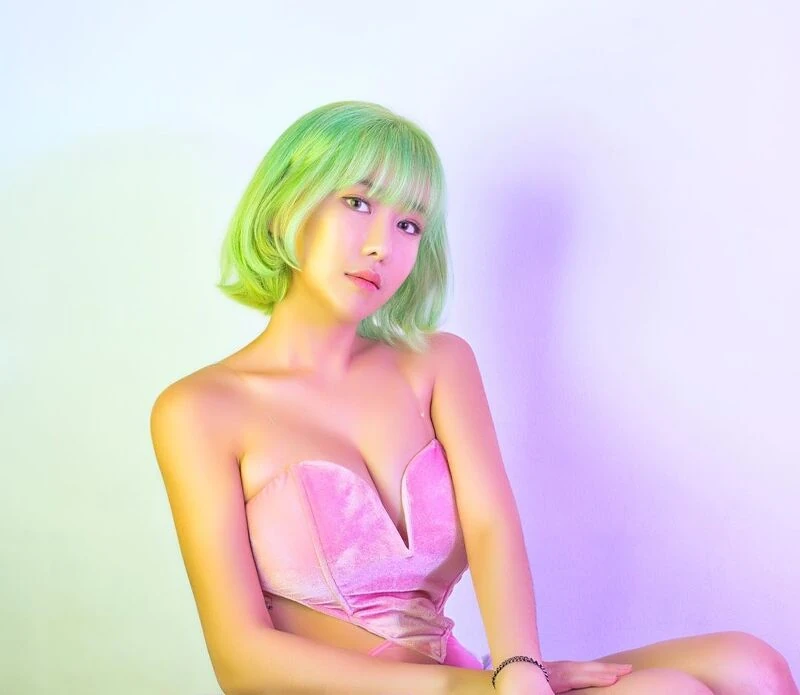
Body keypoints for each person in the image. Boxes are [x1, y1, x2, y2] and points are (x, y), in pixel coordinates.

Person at [150, 101, 798, 695]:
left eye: (409, 223)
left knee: (752, 665)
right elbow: (241, 660)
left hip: (472, 676)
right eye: (357, 202)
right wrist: (470, 690)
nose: (382, 245)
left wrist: (519, 670)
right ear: (283, 207)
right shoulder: (199, 410)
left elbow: (492, 527)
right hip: (397, 690)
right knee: (669, 691)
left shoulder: (437, 363)